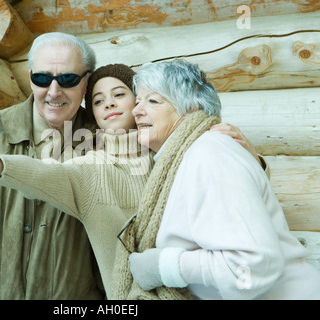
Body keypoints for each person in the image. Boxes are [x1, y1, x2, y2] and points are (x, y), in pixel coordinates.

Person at [0, 62, 268, 299]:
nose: (108, 103)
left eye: (119, 94)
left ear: (140, 102)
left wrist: (253, 159)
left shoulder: (180, 156)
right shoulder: (92, 169)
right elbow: (42, 173)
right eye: (97, 100)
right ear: (93, 115)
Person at [113, 59, 320, 300]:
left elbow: (251, 266)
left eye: (152, 101)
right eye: (138, 101)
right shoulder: (181, 161)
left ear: (190, 108)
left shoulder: (209, 153)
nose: (136, 110)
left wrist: (164, 266)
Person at [0, 32, 104, 300]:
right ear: (30, 75)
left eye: (68, 79)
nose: (54, 91)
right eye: (42, 78)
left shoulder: (102, 142)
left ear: (87, 81)